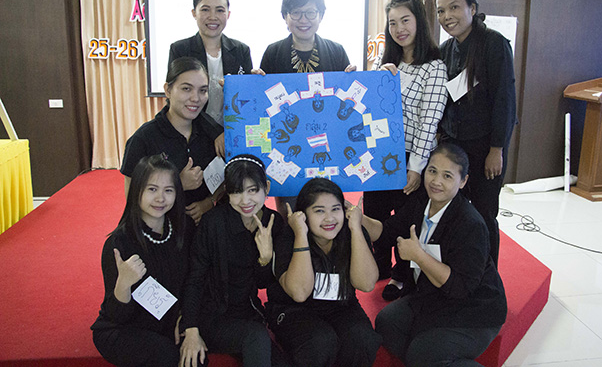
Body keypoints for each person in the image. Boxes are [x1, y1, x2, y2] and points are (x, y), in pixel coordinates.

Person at [361, 143, 507, 367]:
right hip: (432, 296)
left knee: (423, 352)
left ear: (463, 181)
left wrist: (418, 256)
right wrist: (356, 217)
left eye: (447, 176)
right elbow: (387, 232)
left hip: (473, 309)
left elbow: (461, 287)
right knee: (386, 323)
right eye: (432, 171)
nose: (436, 181)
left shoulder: (471, 224)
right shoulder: (420, 202)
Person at [365, 0, 448, 300]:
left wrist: (415, 168)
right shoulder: (387, 61)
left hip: (410, 158)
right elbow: (371, 106)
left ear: (419, 22)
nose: (399, 29)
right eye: (392, 23)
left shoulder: (434, 67)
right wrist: (377, 78)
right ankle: (379, 264)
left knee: (403, 220)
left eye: (405, 20)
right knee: (374, 212)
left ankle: (400, 276)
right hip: (379, 154)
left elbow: (429, 122)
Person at [252, 0, 356, 222]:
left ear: (321, 15)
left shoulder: (336, 51)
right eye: (296, 13)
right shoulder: (273, 52)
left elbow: (345, 104)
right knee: (291, 219)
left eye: (310, 12)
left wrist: (352, 79)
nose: (303, 20)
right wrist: (256, 84)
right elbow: (266, 107)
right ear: (285, 16)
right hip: (288, 150)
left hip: (327, 150)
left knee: (326, 216)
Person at [433, 0, 517, 268]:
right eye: (441, 11)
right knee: (451, 210)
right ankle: (456, 268)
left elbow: (505, 101)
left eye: (454, 7)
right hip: (453, 145)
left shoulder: (494, 44)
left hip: (484, 147)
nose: (447, 16)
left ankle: (487, 275)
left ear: (472, 8)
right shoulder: (445, 49)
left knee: (484, 213)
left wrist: (497, 149)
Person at [178, 154, 288, 367]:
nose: (245, 201)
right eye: (236, 192)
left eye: (252, 190)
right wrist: (191, 329)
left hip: (248, 313)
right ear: (227, 192)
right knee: (255, 336)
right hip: (212, 316)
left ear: (266, 187)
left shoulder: (273, 222)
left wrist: (265, 259)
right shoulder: (213, 223)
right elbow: (195, 278)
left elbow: (265, 283)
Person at [265, 178, 381, 367]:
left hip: (340, 306)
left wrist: (356, 229)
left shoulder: (351, 233)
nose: (329, 218)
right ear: (304, 214)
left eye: (335, 209)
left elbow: (366, 284)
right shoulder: (289, 237)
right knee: (320, 342)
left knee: (362, 338)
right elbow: (299, 293)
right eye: (319, 211)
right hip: (294, 310)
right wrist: (301, 235)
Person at [92, 154, 189, 367]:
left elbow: (192, 283)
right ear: (137, 191)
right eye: (152, 189)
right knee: (165, 355)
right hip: (124, 328)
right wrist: (123, 284)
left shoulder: (184, 230)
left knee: (195, 357)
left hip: (167, 321)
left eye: (168, 190)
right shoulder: (119, 243)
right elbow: (116, 316)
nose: (160, 198)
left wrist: (185, 318)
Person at [121, 57, 223, 226]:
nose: (196, 98)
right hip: (164, 231)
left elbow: (225, 180)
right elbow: (133, 199)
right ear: (168, 90)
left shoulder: (212, 135)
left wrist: (209, 202)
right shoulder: (143, 139)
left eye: (203, 90)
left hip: (206, 231)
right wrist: (177, 184)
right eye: (186, 89)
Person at [169, 0, 253, 137]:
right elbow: (175, 99)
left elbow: (246, 99)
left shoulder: (241, 50)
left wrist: (257, 83)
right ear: (194, 13)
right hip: (193, 133)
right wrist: (215, 133)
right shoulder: (180, 49)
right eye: (205, 10)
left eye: (220, 10)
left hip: (232, 134)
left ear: (228, 14)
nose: (213, 16)